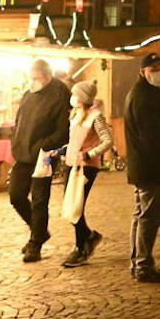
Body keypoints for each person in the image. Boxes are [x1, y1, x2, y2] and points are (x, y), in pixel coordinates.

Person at [123, 55, 160, 283]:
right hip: (152, 166)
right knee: (149, 216)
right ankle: (143, 265)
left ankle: (138, 261)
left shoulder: (153, 94)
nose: (159, 73)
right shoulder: (143, 98)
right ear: (142, 72)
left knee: (142, 215)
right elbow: (153, 137)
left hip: (147, 166)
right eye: (154, 69)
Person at [7, 59, 72, 262]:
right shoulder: (29, 93)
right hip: (23, 153)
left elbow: (63, 129)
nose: (32, 81)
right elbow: (20, 120)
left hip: (44, 155)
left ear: (47, 77)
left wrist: (45, 145)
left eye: (36, 78)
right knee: (16, 196)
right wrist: (16, 142)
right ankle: (40, 232)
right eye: (31, 77)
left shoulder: (60, 95)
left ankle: (36, 242)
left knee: (39, 200)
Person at [59, 80, 113, 269]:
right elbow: (73, 140)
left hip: (86, 167)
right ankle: (88, 237)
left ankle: (81, 247)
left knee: (76, 205)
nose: (72, 98)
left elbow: (107, 140)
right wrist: (62, 151)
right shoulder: (75, 115)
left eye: (75, 95)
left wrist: (89, 154)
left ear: (82, 98)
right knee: (70, 205)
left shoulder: (95, 117)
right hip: (71, 164)